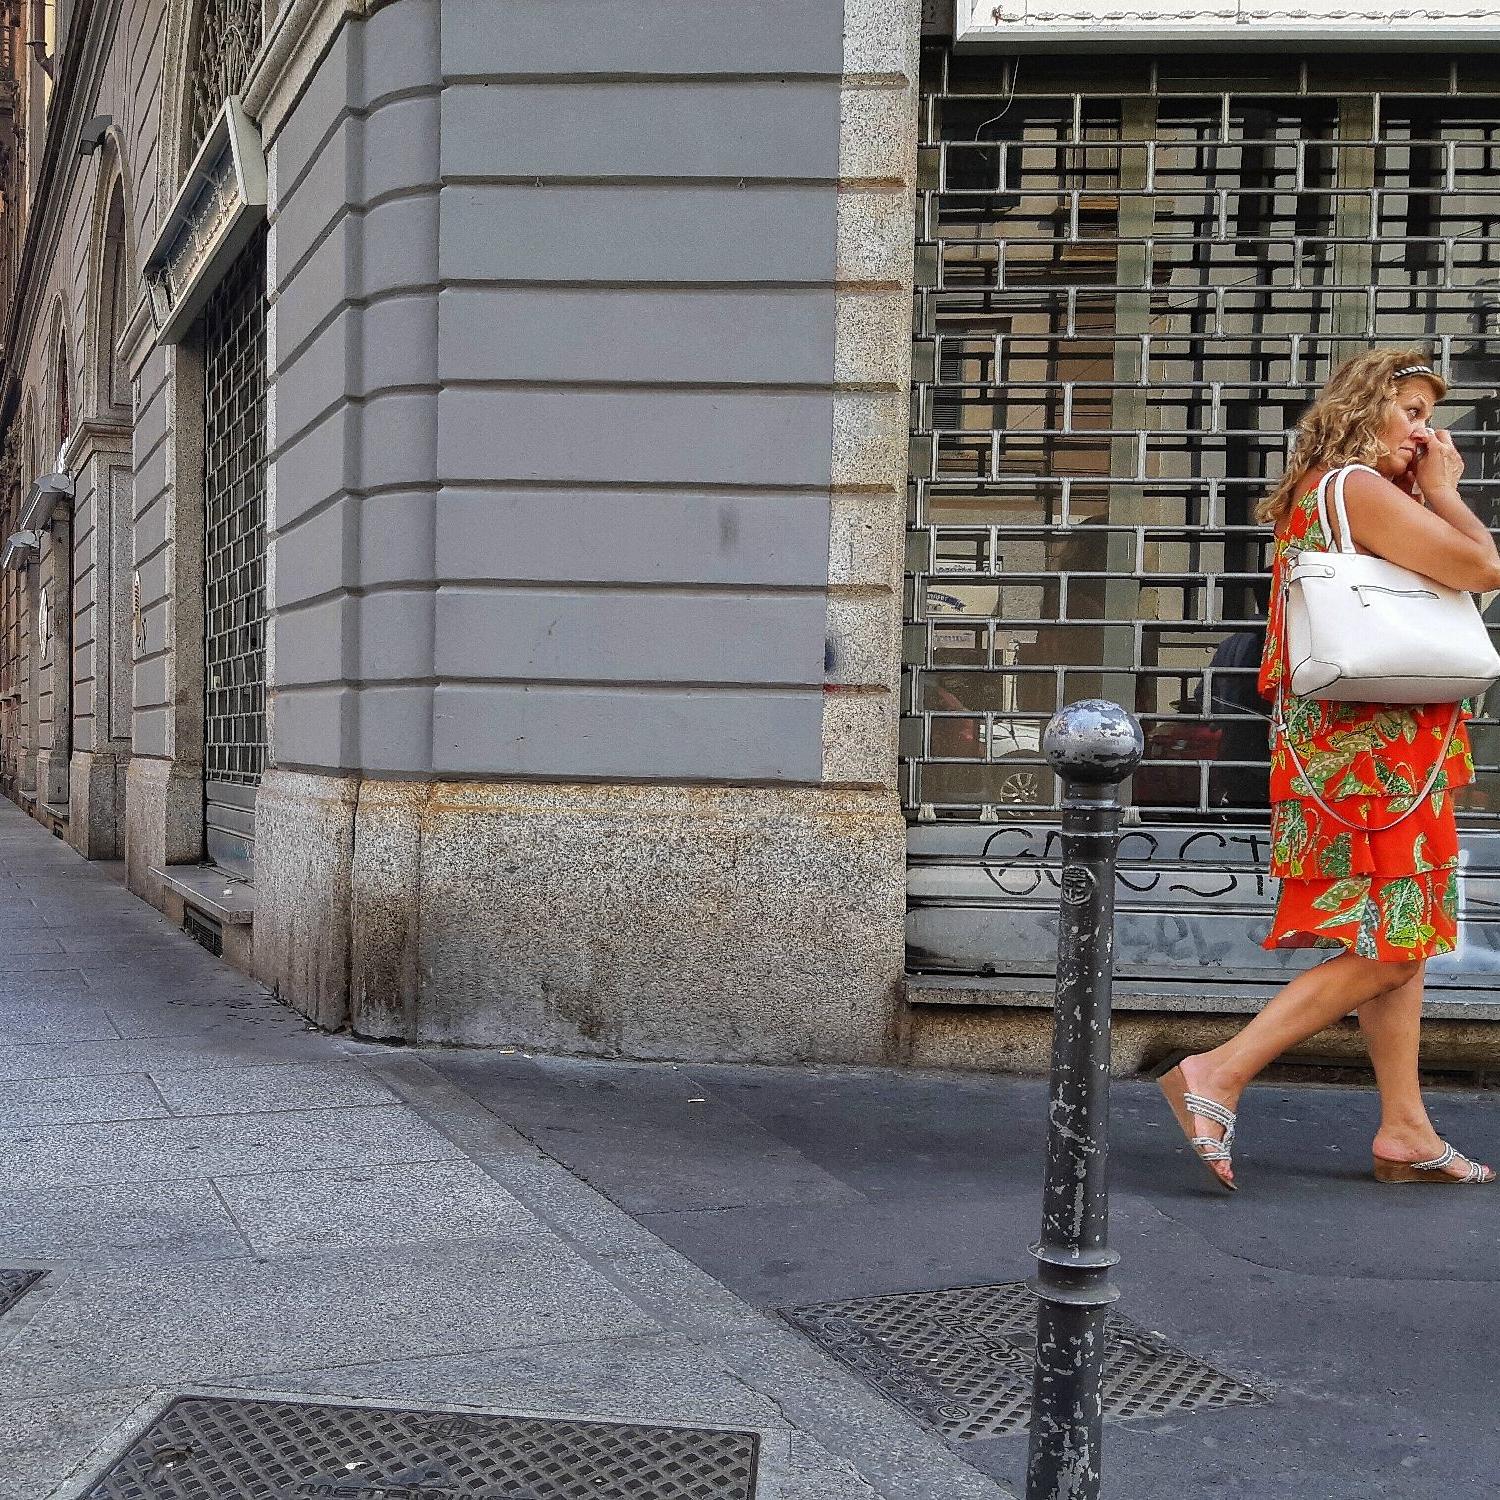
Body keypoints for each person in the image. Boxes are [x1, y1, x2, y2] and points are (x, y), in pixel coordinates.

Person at [1158, 348, 1500, 1190]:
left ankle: (1405, 1128)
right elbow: (1484, 568)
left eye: (1429, 417)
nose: (1425, 433)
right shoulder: (1355, 488)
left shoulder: (1325, 491)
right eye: (1411, 412)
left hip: (1357, 751)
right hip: (1372, 758)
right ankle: (1218, 1071)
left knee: (1393, 940)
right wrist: (1448, 494)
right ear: (1363, 407)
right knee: (1395, 945)